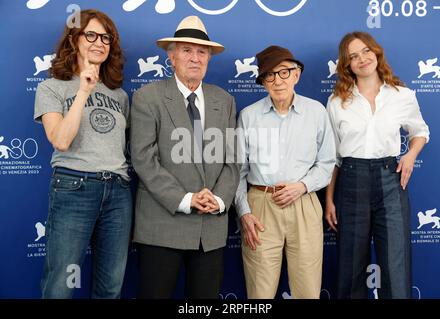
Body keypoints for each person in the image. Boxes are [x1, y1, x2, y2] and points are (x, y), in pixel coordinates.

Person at [130, 15, 240, 299]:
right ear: (171, 56)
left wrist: (217, 199)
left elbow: (232, 160)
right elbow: (143, 158)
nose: (195, 57)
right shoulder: (147, 97)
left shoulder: (224, 100)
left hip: (210, 228)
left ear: (209, 58)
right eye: (187, 50)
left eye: (202, 51)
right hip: (161, 225)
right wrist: (186, 199)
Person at [34, 9, 132, 298]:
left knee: (110, 287)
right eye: (91, 34)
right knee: (60, 286)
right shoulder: (51, 87)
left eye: (106, 37)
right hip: (74, 187)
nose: (99, 42)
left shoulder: (120, 95)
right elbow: (61, 140)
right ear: (74, 39)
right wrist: (83, 92)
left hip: (118, 191)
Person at [325, 31, 430, 299]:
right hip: (350, 181)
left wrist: (410, 155)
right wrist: (329, 200)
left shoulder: (401, 95)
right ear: (346, 65)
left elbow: (421, 131)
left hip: (390, 180)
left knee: (395, 266)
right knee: (350, 269)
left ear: (376, 52)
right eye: (353, 56)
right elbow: (333, 157)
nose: (362, 59)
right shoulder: (337, 101)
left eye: (366, 51)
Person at [235, 45, 336, 299]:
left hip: (304, 203)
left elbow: (327, 163)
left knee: (308, 290)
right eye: (269, 75)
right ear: (262, 81)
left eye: (284, 72)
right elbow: (237, 171)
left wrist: (301, 186)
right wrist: (245, 212)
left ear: (296, 74)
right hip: (260, 207)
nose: (277, 81)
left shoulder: (316, 112)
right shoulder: (248, 116)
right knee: (259, 293)